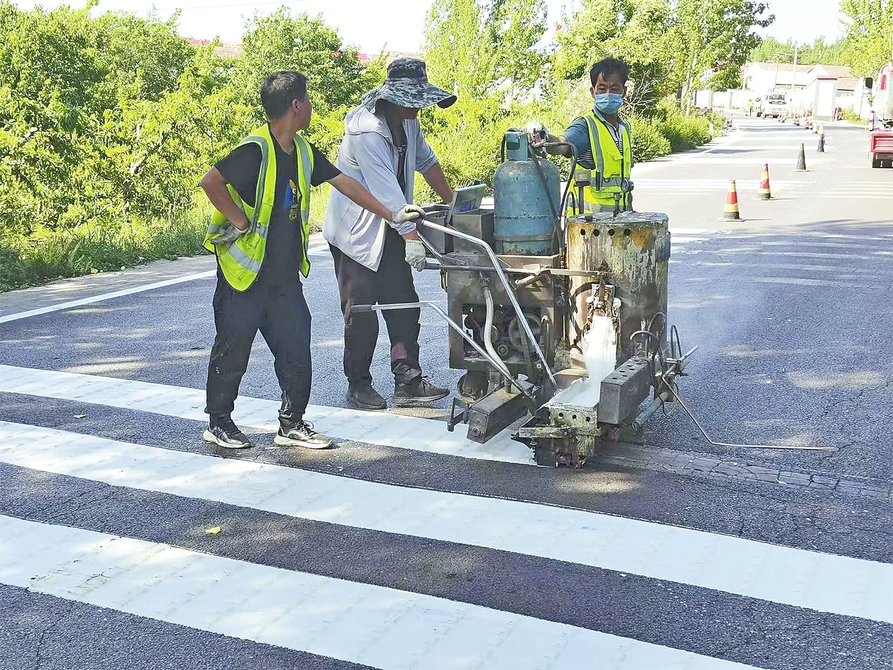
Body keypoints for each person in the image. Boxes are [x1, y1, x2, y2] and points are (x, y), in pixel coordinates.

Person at [200, 70, 423, 449]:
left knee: (296, 349)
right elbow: (211, 182)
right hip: (244, 278)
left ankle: (292, 424)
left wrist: (393, 214)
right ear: (296, 106)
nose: (311, 107)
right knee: (233, 348)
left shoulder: (302, 151)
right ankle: (219, 422)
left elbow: (346, 184)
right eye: (308, 101)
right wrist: (239, 220)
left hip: (283, 277)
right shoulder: (256, 150)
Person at [323, 58, 456, 410]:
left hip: (394, 226)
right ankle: (359, 384)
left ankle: (408, 379)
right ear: (392, 97)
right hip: (357, 237)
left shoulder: (407, 121)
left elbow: (427, 162)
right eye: (412, 99)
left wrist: (455, 204)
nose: (418, 106)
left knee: (404, 307)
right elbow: (385, 191)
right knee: (362, 313)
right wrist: (411, 238)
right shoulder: (367, 130)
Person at [527, 57, 634, 215]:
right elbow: (562, 144)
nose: (608, 94)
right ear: (593, 92)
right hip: (587, 226)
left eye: (614, 88)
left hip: (619, 222)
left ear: (623, 91)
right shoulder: (585, 127)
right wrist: (544, 137)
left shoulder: (624, 129)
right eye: (602, 88)